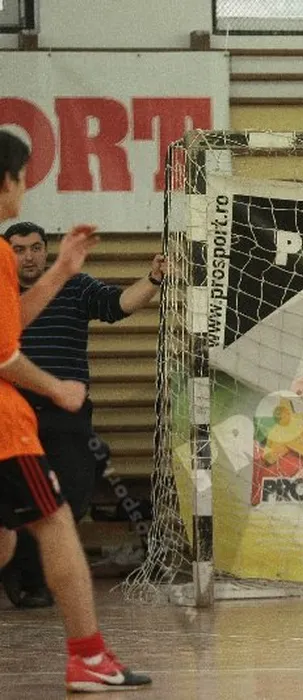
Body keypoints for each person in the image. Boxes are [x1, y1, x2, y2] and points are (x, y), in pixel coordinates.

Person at [0, 130, 151, 691]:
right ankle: (87, 656)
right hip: (8, 426)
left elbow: (12, 322)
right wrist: (57, 388)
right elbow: (3, 352)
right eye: (23, 177)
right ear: (9, 180)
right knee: (57, 522)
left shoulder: (21, 269)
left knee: (5, 538)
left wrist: (63, 269)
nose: (24, 188)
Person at [0, 220, 165, 608]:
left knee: (70, 498)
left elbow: (118, 305)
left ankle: (32, 575)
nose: (29, 257)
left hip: (64, 415)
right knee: (14, 505)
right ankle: (24, 576)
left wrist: (154, 279)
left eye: (36, 247)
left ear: (46, 249)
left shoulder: (75, 287)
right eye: (19, 249)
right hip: (11, 416)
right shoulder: (3, 293)